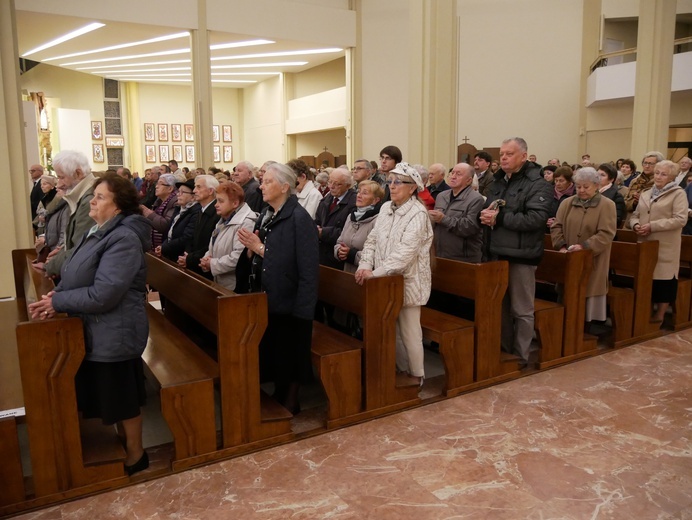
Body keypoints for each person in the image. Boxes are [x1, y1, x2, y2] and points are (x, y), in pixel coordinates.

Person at [28, 173, 153, 476]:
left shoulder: (122, 238)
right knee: (110, 395)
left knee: (121, 398)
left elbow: (105, 293)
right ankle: (123, 445)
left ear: (118, 206)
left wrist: (58, 302)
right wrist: (59, 292)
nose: (92, 201)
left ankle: (136, 455)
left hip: (116, 329)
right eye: (94, 195)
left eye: (100, 197)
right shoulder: (98, 230)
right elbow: (78, 269)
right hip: (98, 326)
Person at [237, 162, 319, 414]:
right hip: (271, 295)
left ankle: (291, 400)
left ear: (285, 187)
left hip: (292, 299)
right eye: (262, 181)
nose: (261, 185)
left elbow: (304, 268)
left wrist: (259, 248)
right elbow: (266, 252)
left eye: (268, 181)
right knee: (277, 349)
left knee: (291, 351)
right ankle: (280, 392)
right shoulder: (268, 213)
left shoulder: (298, 218)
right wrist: (252, 251)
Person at [355, 162, 433, 388]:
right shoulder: (386, 207)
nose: (392, 186)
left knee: (409, 331)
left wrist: (374, 273)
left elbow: (404, 254)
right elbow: (372, 239)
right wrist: (365, 264)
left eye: (399, 182)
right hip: (383, 281)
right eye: (390, 181)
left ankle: (417, 375)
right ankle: (400, 369)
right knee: (392, 329)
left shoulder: (418, 214)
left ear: (412, 188)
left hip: (408, 281)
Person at [480, 137, 552, 366]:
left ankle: (521, 355)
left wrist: (499, 218)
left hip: (522, 254)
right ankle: (504, 352)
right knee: (499, 307)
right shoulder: (500, 180)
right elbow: (491, 207)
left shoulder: (538, 184)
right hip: (496, 252)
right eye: (502, 154)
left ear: (523, 156)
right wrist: (483, 215)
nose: (503, 158)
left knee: (521, 309)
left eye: (509, 154)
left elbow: (537, 219)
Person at [550, 167, 617, 326]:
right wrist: (561, 246)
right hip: (569, 256)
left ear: (596, 185)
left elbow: (606, 233)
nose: (581, 190)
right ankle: (567, 323)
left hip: (592, 258)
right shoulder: (567, 203)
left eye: (586, 187)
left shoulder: (607, 205)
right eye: (578, 186)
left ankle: (588, 326)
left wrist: (584, 246)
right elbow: (556, 227)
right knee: (567, 289)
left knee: (589, 288)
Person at [630, 160, 688, 324]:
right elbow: (635, 215)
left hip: (665, 244)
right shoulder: (646, 192)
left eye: (663, 174)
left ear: (671, 177)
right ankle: (644, 311)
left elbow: (680, 219)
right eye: (657, 173)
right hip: (645, 243)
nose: (658, 176)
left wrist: (652, 226)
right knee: (647, 278)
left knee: (664, 280)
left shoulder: (678, 193)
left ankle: (660, 315)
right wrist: (635, 225)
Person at [43, 150, 97, 278]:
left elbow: (81, 247)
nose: (59, 184)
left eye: (61, 177)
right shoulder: (81, 196)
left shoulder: (90, 200)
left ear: (78, 173)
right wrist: (63, 250)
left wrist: (50, 266)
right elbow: (73, 241)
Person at [199, 182, 257, 290]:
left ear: (235, 203)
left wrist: (212, 264)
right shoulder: (224, 219)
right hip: (220, 281)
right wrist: (207, 258)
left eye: (220, 201)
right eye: (216, 200)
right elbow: (215, 245)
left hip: (235, 285)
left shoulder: (246, 222)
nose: (216, 204)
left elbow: (238, 257)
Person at [429, 162, 484, 262]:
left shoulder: (476, 199)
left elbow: (469, 227)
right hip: (440, 253)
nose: (453, 177)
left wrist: (443, 219)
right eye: (452, 173)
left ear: (469, 180)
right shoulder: (441, 196)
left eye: (458, 174)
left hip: (463, 257)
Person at [334, 180, 383, 273]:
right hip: (347, 271)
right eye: (359, 191)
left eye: (364, 193)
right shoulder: (351, 216)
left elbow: (378, 255)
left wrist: (352, 255)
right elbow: (340, 241)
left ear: (375, 200)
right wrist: (339, 251)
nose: (359, 195)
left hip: (366, 275)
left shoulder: (378, 220)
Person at [314, 167, 357, 269]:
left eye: (337, 184)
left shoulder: (354, 203)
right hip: (322, 254)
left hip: (338, 257)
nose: (331, 186)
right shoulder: (326, 200)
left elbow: (349, 234)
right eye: (330, 182)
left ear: (348, 186)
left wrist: (322, 232)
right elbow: (317, 220)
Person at [178, 174, 219, 278]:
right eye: (195, 187)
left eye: (199, 187)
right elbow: (192, 237)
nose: (194, 191)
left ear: (210, 191)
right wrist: (187, 254)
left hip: (205, 266)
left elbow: (210, 244)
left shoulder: (216, 213)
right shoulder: (200, 210)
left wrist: (190, 258)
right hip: (194, 261)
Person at [156, 179, 199, 261]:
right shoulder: (179, 209)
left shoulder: (195, 212)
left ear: (193, 197)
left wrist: (165, 247)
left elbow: (186, 238)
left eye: (183, 192)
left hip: (180, 257)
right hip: (170, 253)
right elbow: (169, 233)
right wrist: (162, 246)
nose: (178, 195)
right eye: (178, 191)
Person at [140, 173, 177, 251]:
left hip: (167, 247)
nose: (156, 186)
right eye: (157, 183)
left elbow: (165, 225)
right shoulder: (159, 201)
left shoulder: (175, 202)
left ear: (170, 188)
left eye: (160, 184)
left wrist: (149, 213)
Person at [624, 151, 663, 216]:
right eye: (645, 163)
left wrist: (643, 200)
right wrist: (634, 203)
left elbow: (662, 206)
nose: (647, 166)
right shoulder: (635, 181)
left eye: (651, 164)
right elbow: (625, 202)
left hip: (651, 220)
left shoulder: (662, 183)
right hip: (631, 220)